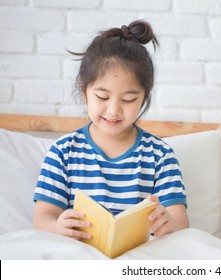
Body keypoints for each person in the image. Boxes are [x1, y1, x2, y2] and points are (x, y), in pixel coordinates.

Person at [33, 20, 189, 240]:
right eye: (102, 97)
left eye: (129, 99)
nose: (114, 110)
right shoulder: (63, 152)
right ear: (84, 90)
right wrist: (58, 226)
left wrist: (168, 222)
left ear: (144, 98)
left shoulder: (160, 155)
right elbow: (42, 218)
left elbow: (180, 220)